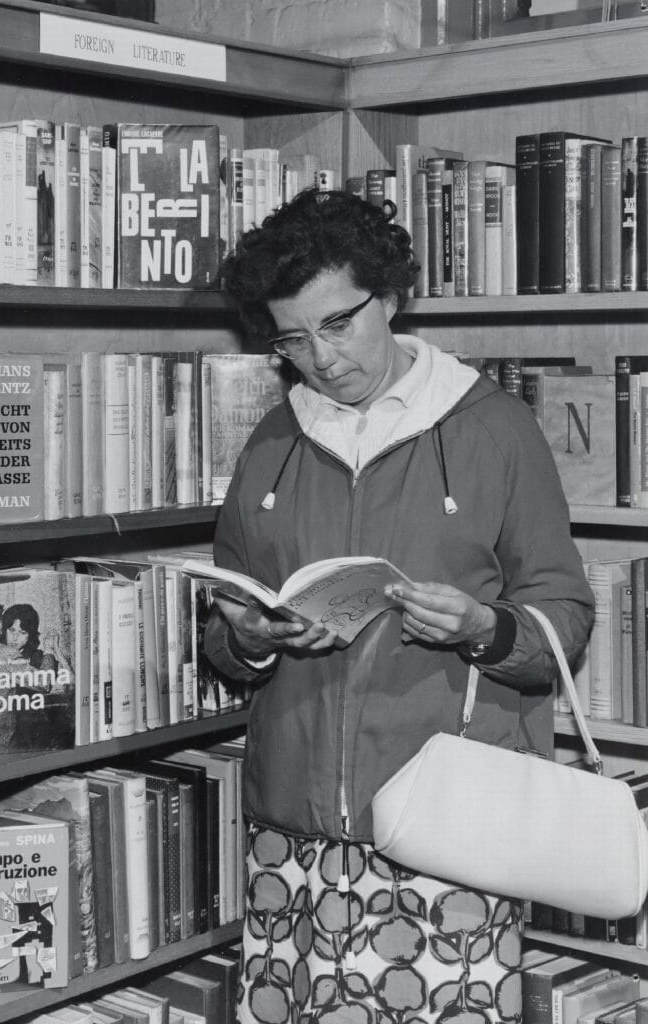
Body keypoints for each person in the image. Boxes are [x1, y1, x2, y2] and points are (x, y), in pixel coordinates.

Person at [204, 188, 594, 1024]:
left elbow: (565, 613)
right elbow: (228, 619)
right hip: (293, 833)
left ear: (389, 298)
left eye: (339, 324)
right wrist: (250, 638)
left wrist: (488, 629)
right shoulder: (271, 442)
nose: (322, 358)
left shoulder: (494, 430)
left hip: (446, 825)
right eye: (293, 339)